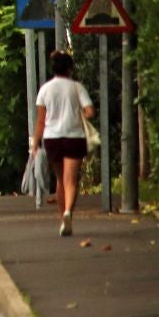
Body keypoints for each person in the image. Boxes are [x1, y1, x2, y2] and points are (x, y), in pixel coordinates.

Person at [31, 50, 94, 236]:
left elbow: (41, 120)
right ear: (70, 69)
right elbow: (90, 111)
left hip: (52, 138)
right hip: (74, 137)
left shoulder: (45, 89)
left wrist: (35, 142)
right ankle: (68, 213)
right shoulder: (77, 87)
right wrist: (79, 116)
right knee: (71, 180)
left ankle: (62, 218)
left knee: (60, 179)